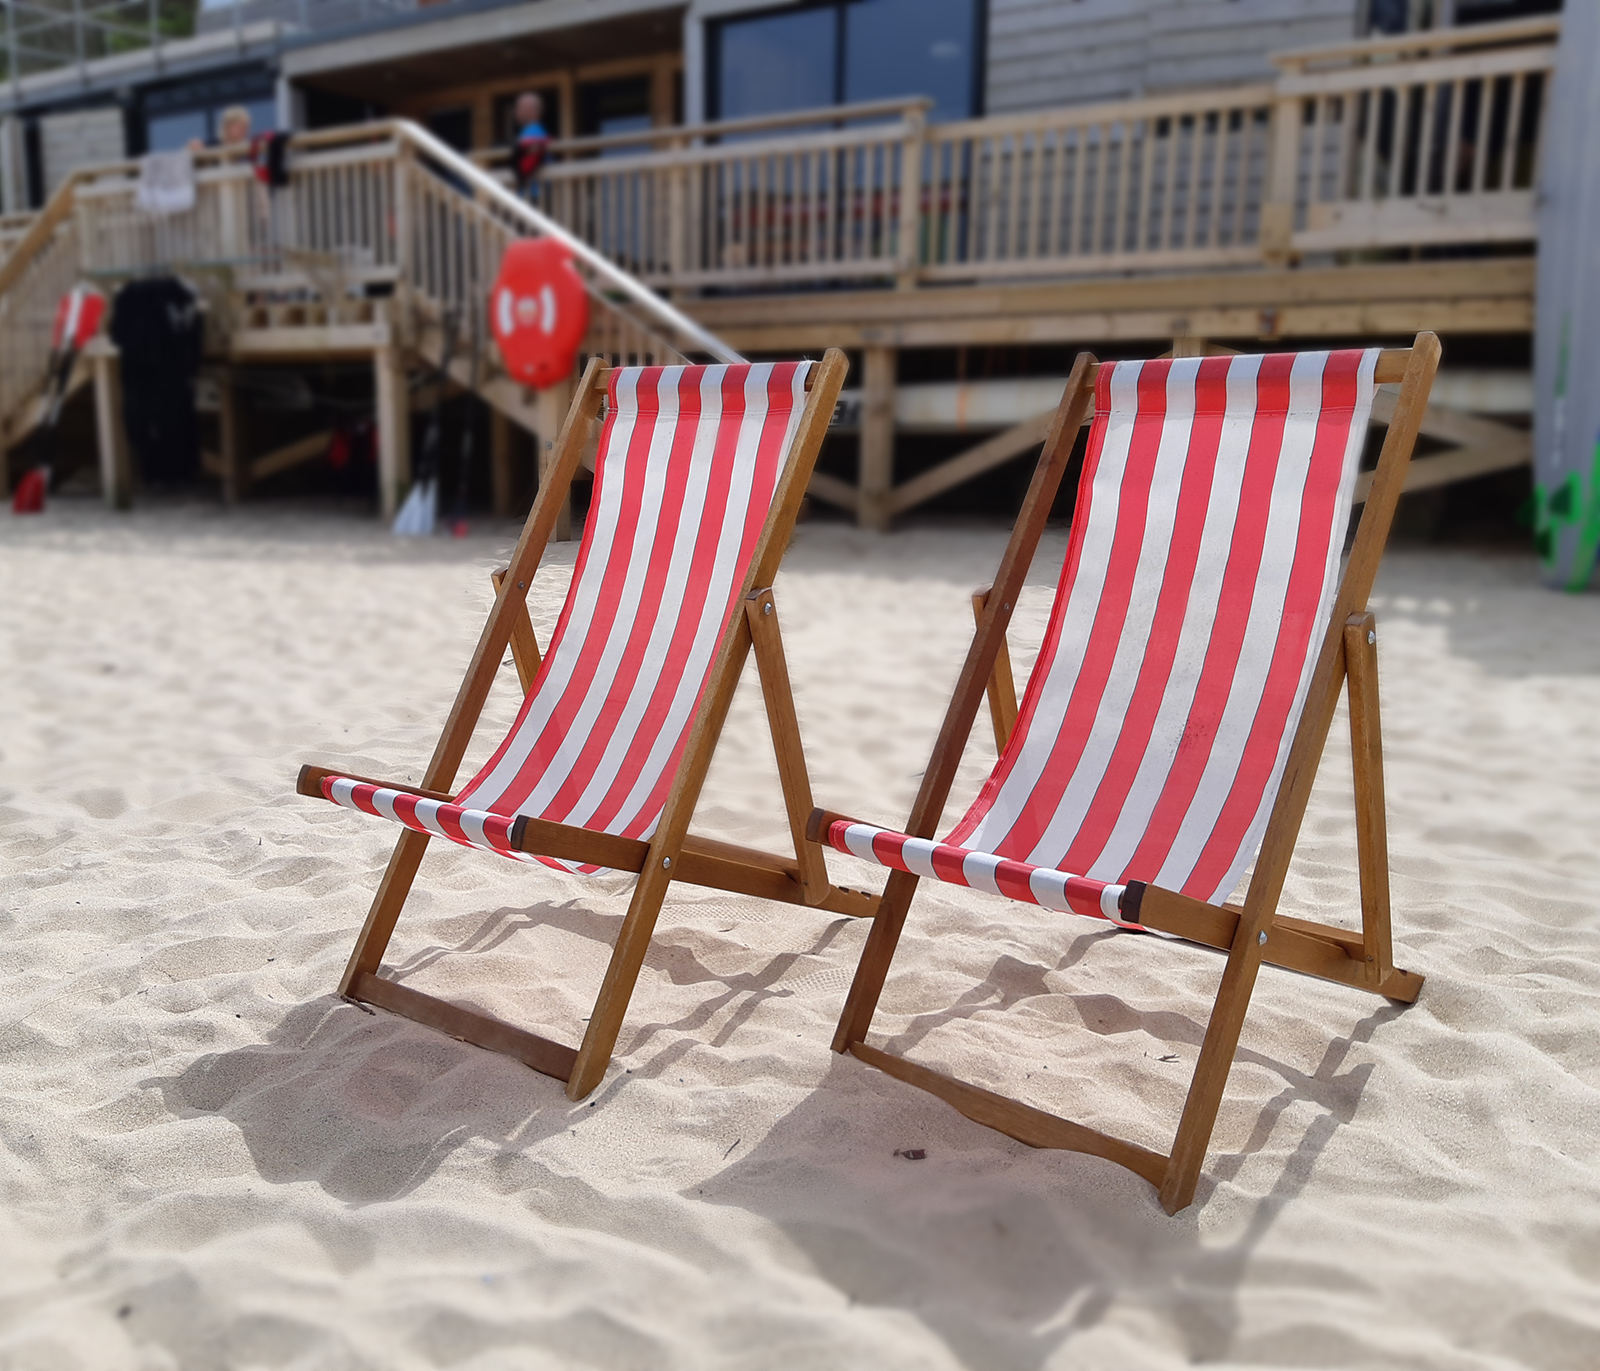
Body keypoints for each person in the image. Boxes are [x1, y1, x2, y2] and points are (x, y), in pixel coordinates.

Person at [512, 92, 550, 201]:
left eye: (520, 108)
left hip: (532, 193)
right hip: (532, 192)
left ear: (531, 111)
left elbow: (524, 162)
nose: (517, 111)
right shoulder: (531, 130)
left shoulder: (533, 131)